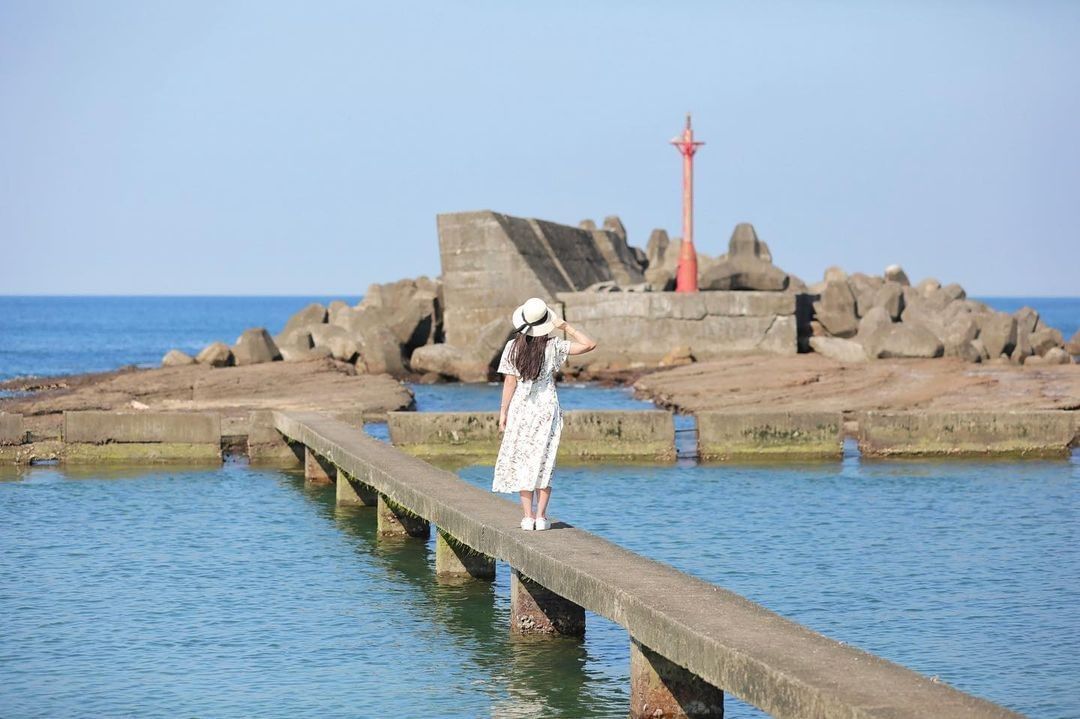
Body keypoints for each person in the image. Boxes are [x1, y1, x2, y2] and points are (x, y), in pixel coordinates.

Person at [491, 297, 597, 530]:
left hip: (521, 407)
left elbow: (510, 382)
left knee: (523, 460)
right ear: (545, 322)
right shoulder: (554, 345)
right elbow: (589, 344)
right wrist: (566, 326)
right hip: (546, 408)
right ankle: (541, 517)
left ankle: (527, 517)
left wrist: (503, 413)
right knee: (544, 460)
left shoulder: (512, 346)